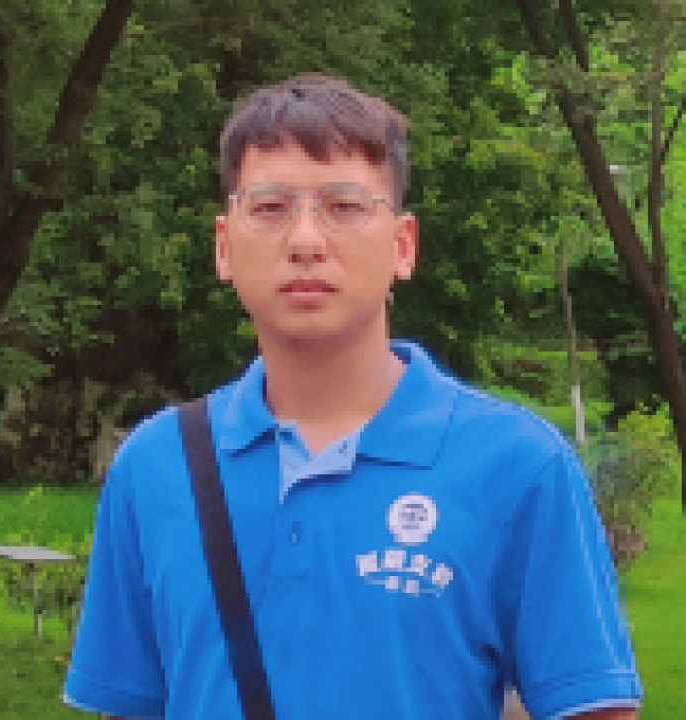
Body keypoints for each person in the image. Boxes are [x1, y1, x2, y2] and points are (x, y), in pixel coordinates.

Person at [63, 74, 643, 719]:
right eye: (270, 208)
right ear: (224, 247)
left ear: (402, 246)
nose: (306, 241)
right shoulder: (158, 465)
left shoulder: (516, 465)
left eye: (343, 207)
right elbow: (130, 705)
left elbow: (594, 708)